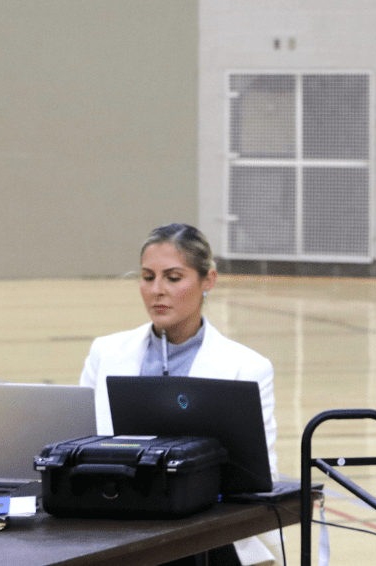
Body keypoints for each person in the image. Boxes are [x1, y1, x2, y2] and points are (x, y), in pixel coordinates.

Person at [80, 223, 279, 566]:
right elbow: (78, 440)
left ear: (208, 281)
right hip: (114, 524)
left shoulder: (247, 367)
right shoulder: (106, 352)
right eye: (147, 277)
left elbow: (260, 476)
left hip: (204, 533)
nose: (157, 290)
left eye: (173, 278)